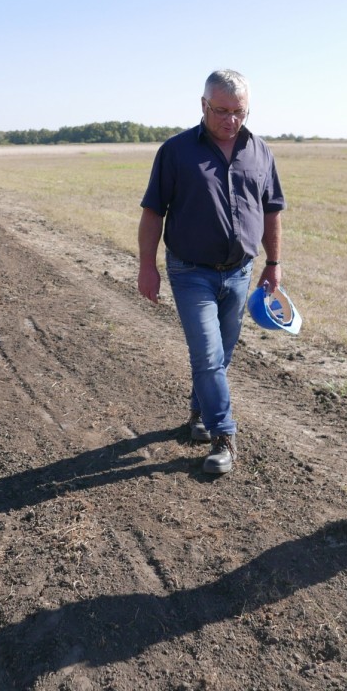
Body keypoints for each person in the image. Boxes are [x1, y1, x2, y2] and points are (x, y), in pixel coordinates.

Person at [138, 70, 286, 475]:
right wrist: (146, 266)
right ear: (203, 105)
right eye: (221, 110)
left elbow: (271, 210)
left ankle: (198, 415)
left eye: (239, 111)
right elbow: (153, 211)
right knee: (207, 355)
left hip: (239, 272)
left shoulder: (260, 152)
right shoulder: (176, 151)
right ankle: (224, 437)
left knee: (221, 356)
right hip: (190, 271)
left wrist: (273, 265)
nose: (231, 120)